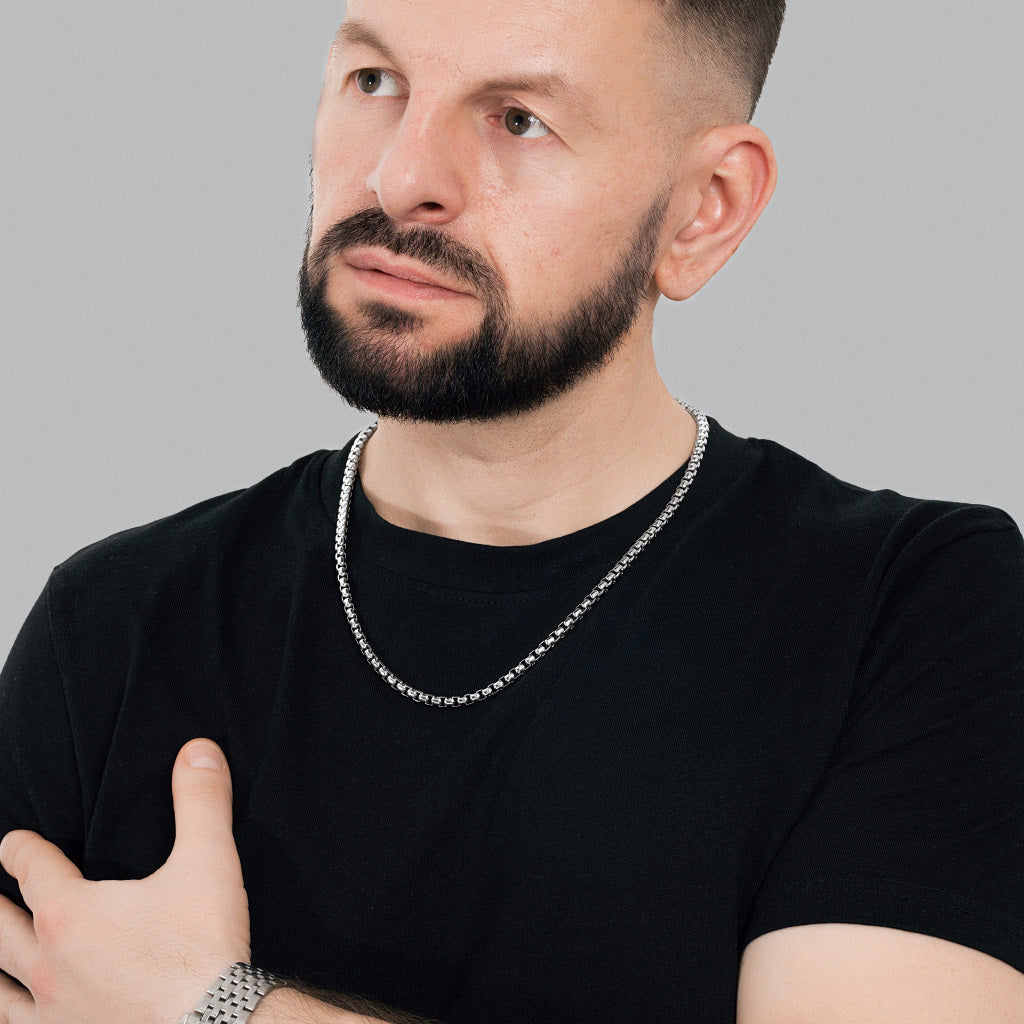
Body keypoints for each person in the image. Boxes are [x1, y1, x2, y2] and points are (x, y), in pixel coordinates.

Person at [1, 0, 1023, 1021]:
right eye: (375, 82)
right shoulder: (117, 620)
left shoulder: (914, 607)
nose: (401, 177)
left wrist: (214, 1009)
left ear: (702, 207)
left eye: (519, 118)